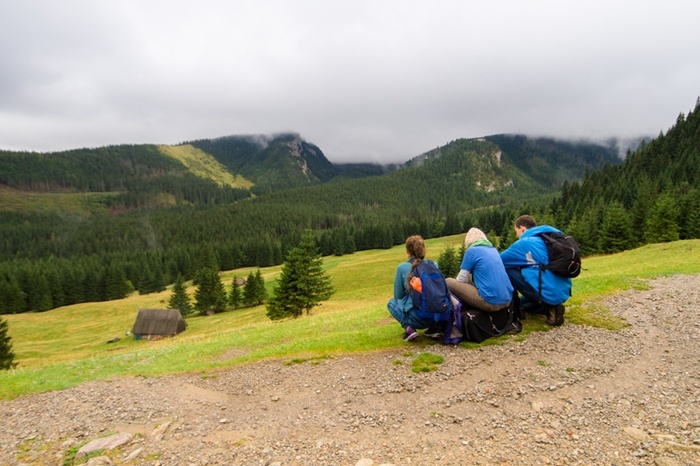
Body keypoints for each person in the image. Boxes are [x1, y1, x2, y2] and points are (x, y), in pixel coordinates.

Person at [500, 215, 571, 326]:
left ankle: (516, 310)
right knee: (524, 303)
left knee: (507, 269)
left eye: (516, 231)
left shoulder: (524, 243)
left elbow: (498, 261)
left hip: (545, 292)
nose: (516, 235)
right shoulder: (548, 238)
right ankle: (550, 308)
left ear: (522, 228)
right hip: (562, 292)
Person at [387, 235, 441, 341]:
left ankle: (409, 328)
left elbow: (398, 295)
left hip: (417, 318)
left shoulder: (402, 267)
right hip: (437, 315)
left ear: (407, 251)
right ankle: (434, 328)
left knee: (391, 303)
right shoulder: (434, 264)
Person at [446, 227, 513, 312]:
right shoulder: (493, 250)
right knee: (470, 277)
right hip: (507, 300)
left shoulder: (471, 251)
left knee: (449, 282)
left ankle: (456, 312)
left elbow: (461, 279)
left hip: (490, 302)